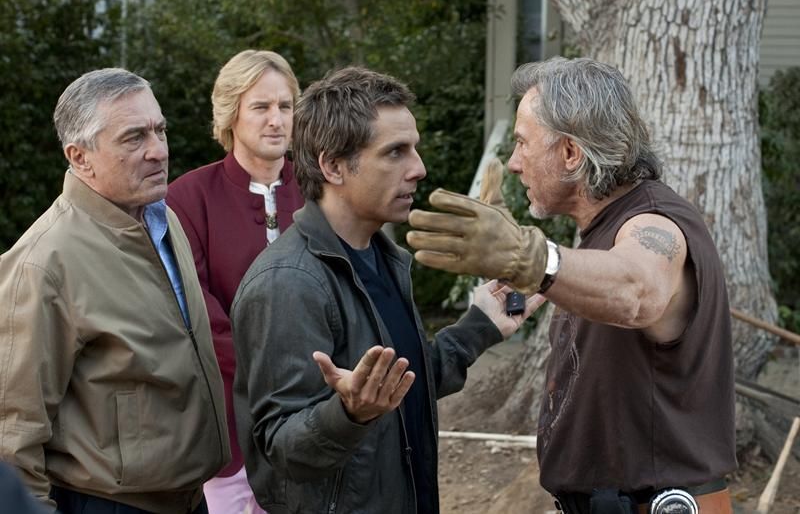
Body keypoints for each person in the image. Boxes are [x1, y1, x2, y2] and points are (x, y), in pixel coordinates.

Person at [406, 57, 736, 514]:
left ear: (570, 153)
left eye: (522, 143)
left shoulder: (656, 220)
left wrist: (530, 256)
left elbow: (637, 290)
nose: (514, 163)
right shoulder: (604, 230)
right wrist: (519, 272)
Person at [230, 66, 539, 514]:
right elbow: (282, 450)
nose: (419, 168)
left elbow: (400, 386)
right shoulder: (288, 282)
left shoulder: (384, 258)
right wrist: (349, 413)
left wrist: (479, 327)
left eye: (413, 148)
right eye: (395, 152)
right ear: (333, 166)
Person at [0, 68, 230, 513]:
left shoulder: (163, 219)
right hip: (107, 503)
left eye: (160, 130)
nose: (158, 150)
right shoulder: (43, 263)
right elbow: (12, 433)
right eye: (134, 137)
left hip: (189, 499)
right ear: (80, 157)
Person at [167, 49, 304, 514]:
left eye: (285, 106)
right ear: (231, 114)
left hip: (313, 412)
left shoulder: (322, 190)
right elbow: (194, 306)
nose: (276, 120)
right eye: (261, 107)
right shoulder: (187, 197)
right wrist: (264, 372)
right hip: (225, 420)